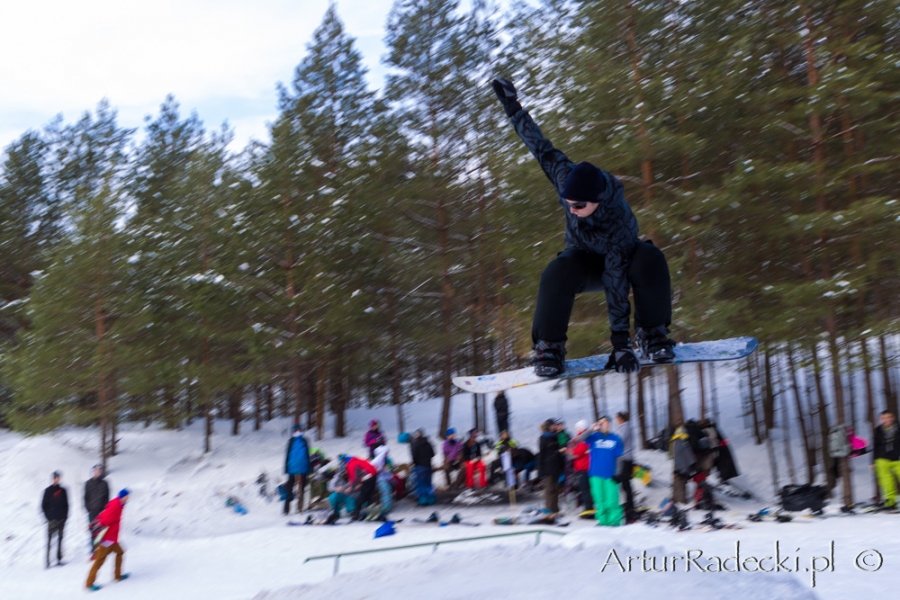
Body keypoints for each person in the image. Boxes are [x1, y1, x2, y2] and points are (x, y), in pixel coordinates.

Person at [491, 77, 675, 377]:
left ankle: (652, 333)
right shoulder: (566, 177)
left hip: (622, 259)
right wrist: (512, 107)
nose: (572, 212)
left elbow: (616, 281)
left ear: (598, 200)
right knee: (557, 271)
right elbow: (540, 147)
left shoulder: (618, 222)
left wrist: (621, 344)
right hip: (583, 258)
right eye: (568, 204)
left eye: (579, 206)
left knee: (651, 259)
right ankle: (549, 346)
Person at [86, 489, 130, 591]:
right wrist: (98, 527)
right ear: (122, 497)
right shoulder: (116, 506)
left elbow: (104, 514)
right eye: (127, 496)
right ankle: (89, 584)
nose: (128, 498)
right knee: (99, 560)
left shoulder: (118, 504)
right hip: (107, 539)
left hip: (112, 538)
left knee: (120, 552)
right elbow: (106, 518)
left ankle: (117, 576)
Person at [584, 417, 624, 526]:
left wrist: (619, 473)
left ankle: (614, 522)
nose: (602, 424)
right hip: (595, 474)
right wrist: (591, 429)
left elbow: (619, 457)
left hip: (610, 475)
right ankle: (602, 522)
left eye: (604, 421)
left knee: (611, 501)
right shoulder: (593, 437)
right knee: (600, 501)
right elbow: (579, 440)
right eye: (600, 422)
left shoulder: (616, 439)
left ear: (609, 423)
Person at [873, 410, 900, 510]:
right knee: (887, 482)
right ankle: (891, 503)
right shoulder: (878, 430)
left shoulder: (898, 428)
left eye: (888, 417)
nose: (886, 420)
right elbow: (875, 446)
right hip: (882, 459)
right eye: (884, 418)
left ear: (893, 418)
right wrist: (873, 462)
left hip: (897, 459)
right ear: (880, 419)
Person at [41, 471, 68, 568]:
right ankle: (47, 561)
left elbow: (66, 505)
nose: (57, 479)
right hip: (52, 520)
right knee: (49, 541)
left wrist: (65, 517)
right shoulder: (48, 491)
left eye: (58, 478)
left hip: (61, 519)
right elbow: (43, 505)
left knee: (60, 540)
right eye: (55, 478)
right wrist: (48, 517)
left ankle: (59, 559)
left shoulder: (63, 491)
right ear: (53, 479)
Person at [283, 424, 311, 515]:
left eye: (299, 430)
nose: (298, 432)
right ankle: (286, 510)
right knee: (289, 490)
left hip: (303, 469)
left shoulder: (305, 441)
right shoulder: (291, 441)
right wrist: (286, 468)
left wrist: (309, 468)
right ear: (293, 431)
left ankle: (300, 509)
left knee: (302, 489)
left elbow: (308, 455)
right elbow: (287, 455)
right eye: (296, 430)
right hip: (292, 469)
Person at [538, 419, 564, 513]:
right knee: (549, 489)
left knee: (556, 489)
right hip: (548, 467)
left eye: (555, 425)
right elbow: (542, 454)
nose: (554, 427)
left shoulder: (556, 436)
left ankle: (555, 509)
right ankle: (549, 509)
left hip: (556, 467)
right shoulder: (543, 437)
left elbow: (559, 450)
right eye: (553, 425)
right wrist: (540, 470)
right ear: (549, 426)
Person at [614, 412, 636, 522]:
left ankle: (630, 506)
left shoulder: (625, 427)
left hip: (626, 459)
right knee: (624, 484)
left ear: (620, 418)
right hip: (623, 459)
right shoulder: (622, 427)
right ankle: (628, 504)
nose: (615, 421)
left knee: (625, 483)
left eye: (616, 419)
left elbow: (620, 441)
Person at [569, 420, 593, 511]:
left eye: (577, 428)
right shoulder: (580, 438)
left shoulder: (583, 438)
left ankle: (588, 507)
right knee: (584, 488)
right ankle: (587, 505)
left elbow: (577, 452)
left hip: (583, 467)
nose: (576, 430)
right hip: (583, 466)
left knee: (585, 488)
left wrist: (571, 451)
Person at [410, 429, 436, 505]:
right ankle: (431, 499)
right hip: (428, 466)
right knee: (428, 483)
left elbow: (414, 456)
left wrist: (416, 463)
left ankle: (423, 500)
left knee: (421, 483)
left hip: (419, 466)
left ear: (417, 435)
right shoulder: (428, 443)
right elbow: (433, 454)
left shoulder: (416, 444)